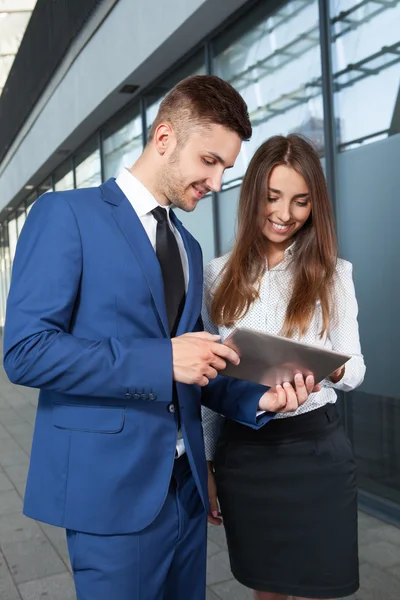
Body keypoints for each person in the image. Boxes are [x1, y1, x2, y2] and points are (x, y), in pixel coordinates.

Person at [3, 78, 316, 600]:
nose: (217, 182)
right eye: (210, 161)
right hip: (109, 493)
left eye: (226, 169)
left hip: (185, 490)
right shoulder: (66, 216)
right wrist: (160, 359)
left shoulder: (188, 246)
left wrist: (257, 396)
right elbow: (26, 352)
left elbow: (199, 359)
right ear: (165, 137)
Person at [202, 134, 366, 600]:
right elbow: (210, 389)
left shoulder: (333, 273)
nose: (284, 213)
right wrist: (210, 464)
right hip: (246, 454)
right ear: (252, 193)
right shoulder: (215, 275)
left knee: (319, 587)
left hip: (315, 450)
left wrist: (329, 370)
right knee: (267, 590)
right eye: (272, 197)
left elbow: (355, 369)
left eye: (300, 201)